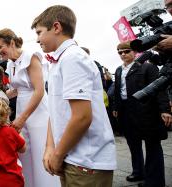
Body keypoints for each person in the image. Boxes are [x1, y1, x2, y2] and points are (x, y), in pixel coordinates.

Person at [31, 5, 117, 186]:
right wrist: (49, 146)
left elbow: (82, 117)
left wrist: (58, 153)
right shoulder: (60, 60)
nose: (37, 39)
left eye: (39, 32)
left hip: (86, 160)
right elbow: (55, 111)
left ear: (56, 27)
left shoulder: (73, 58)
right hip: (73, 157)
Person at [0, 28, 59, 187]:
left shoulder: (31, 57)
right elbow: (17, 89)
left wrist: (22, 117)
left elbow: (39, 90)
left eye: (0, 47)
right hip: (22, 109)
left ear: (12, 43)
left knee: (39, 151)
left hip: (38, 111)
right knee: (25, 153)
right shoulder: (10, 63)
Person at [112, 41, 172, 187]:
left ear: (134, 52)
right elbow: (118, 91)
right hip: (127, 111)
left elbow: (160, 88)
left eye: (126, 51)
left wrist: (165, 109)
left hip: (147, 111)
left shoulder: (148, 67)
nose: (123, 54)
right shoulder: (119, 70)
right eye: (120, 52)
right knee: (133, 143)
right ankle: (138, 171)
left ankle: (154, 181)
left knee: (152, 145)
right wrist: (116, 107)